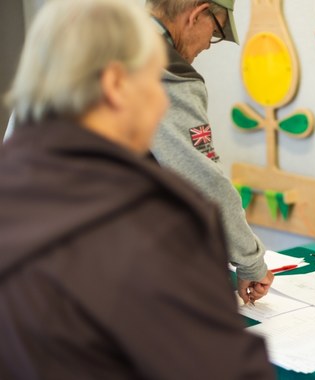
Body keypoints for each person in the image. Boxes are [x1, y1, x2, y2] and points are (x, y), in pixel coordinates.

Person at [0, 0, 273, 378]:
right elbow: (203, 180)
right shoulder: (145, 228)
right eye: (151, 90)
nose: (160, 103)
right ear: (114, 86)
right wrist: (249, 260)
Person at [145, 0, 273, 305]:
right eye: (215, 31)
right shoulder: (164, 71)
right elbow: (205, 183)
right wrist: (251, 262)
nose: (209, 45)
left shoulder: (85, 46)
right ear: (198, 14)